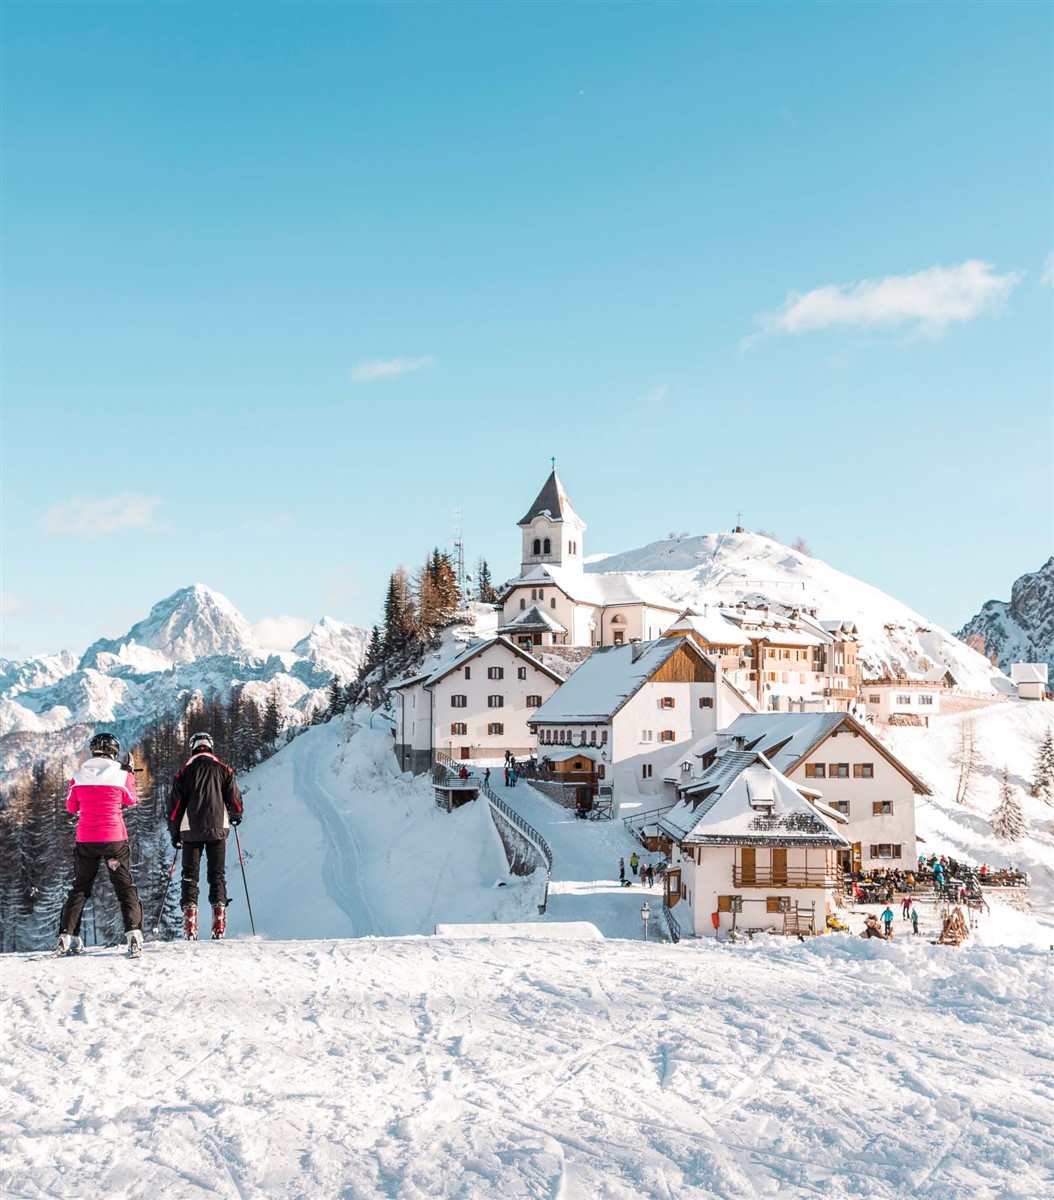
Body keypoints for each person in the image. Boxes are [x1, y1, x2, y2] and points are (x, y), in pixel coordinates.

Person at [56, 733, 145, 958]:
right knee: (124, 887)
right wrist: (130, 774)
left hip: (86, 839)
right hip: (114, 839)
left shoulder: (78, 776)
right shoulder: (121, 774)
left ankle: (66, 937)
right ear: (114, 751)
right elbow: (131, 800)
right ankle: (133, 934)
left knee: (81, 887)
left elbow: (70, 807)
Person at [168, 732, 244, 940]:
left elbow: (174, 808)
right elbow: (235, 800)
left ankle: (189, 923)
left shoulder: (183, 773)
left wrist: (174, 834)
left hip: (189, 832)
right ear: (210, 746)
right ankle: (219, 921)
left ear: (193, 747)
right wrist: (236, 816)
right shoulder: (223, 769)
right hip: (217, 830)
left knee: (189, 876)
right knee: (216, 875)